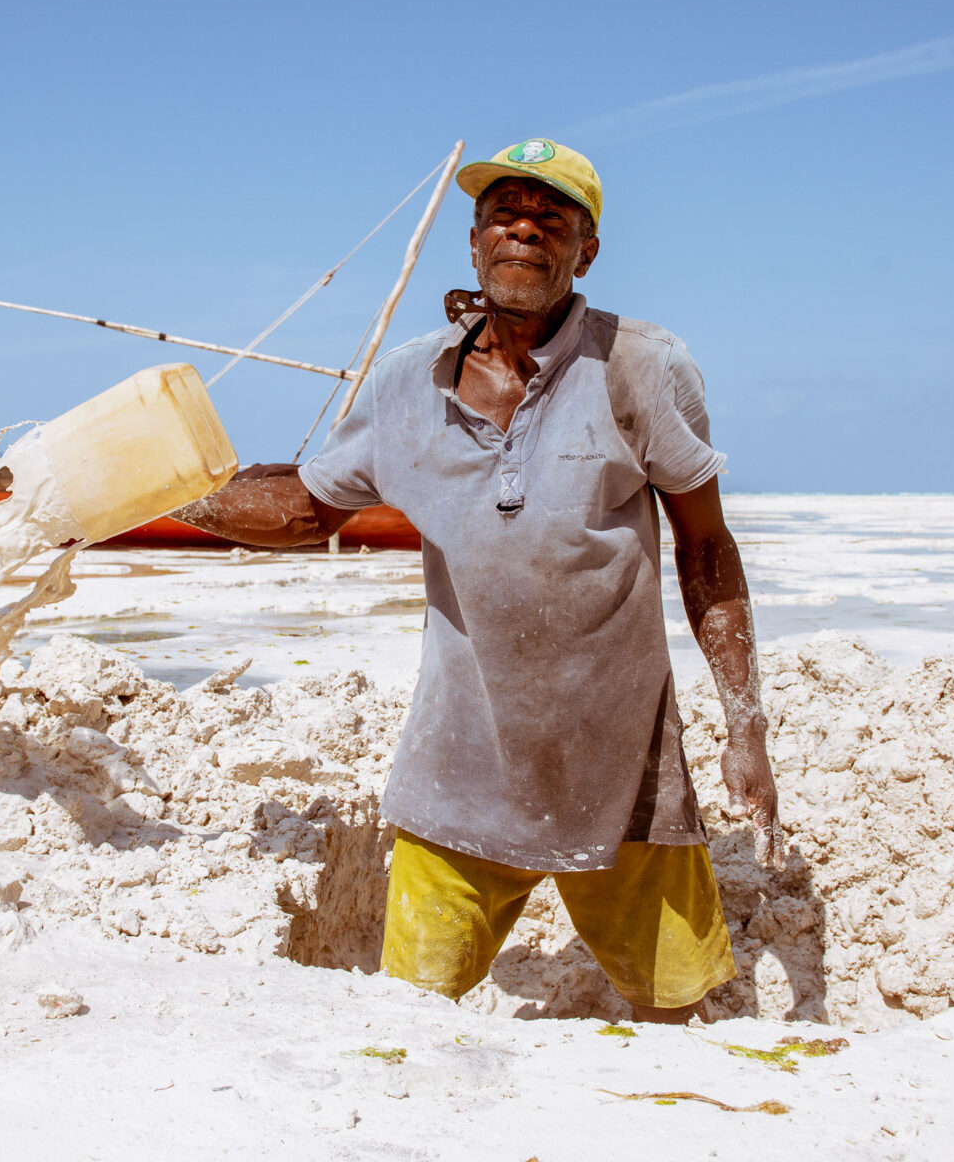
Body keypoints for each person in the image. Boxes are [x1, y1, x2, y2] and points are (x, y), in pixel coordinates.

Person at [173, 138, 784, 1023]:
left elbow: (706, 549)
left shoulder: (641, 368)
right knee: (408, 1026)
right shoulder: (407, 382)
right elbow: (307, 508)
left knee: (674, 1022)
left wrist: (746, 725)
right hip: (457, 770)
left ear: (587, 250)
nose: (525, 232)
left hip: (627, 775)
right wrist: (160, 497)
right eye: (505, 215)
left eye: (551, 219)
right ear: (474, 241)